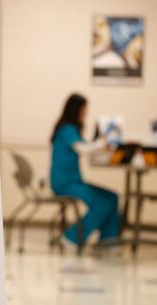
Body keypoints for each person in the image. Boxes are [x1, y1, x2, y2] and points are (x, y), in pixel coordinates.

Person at [50, 93, 119, 246]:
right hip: (64, 183)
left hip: (75, 182)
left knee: (112, 198)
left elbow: (87, 147)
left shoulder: (73, 130)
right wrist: (102, 143)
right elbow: (82, 149)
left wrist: (101, 146)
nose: (85, 114)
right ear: (76, 110)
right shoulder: (66, 129)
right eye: (83, 111)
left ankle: (108, 242)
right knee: (102, 203)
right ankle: (71, 237)